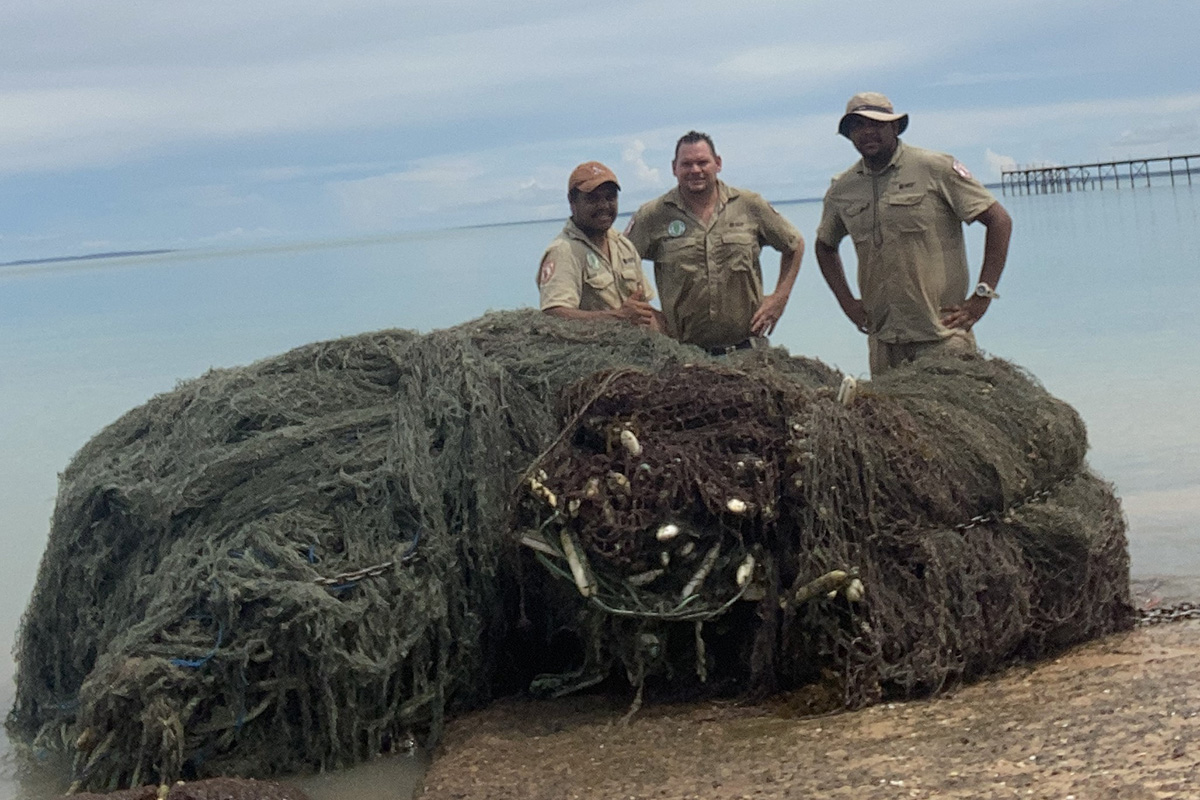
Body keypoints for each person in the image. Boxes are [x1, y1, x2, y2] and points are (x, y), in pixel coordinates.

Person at [815, 92, 1013, 376]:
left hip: (942, 336)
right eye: (857, 126)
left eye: (876, 123)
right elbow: (824, 246)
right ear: (848, 135)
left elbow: (999, 221)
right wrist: (847, 303)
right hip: (884, 342)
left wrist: (982, 295)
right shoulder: (842, 188)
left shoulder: (935, 168)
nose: (867, 132)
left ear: (894, 127)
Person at [625, 131, 804, 354]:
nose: (695, 170)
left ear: (717, 163)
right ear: (674, 168)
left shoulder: (749, 205)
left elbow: (794, 245)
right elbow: (620, 263)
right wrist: (645, 313)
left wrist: (779, 298)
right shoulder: (653, 215)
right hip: (683, 353)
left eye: (702, 162)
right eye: (686, 164)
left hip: (748, 350)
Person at [537, 161, 661, 330]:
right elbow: (554, 314)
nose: (603, 206)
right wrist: (618, 317)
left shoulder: (623, 245)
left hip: (636, 351)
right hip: (593, 353)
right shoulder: (564, 251)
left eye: (610, 197)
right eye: (593, 199)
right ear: (572, 202)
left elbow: (643, 308)